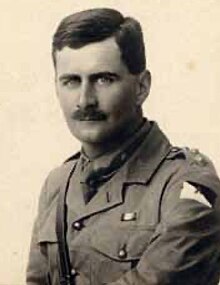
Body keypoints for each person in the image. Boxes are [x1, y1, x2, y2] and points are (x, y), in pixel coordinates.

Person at [26, 8, 220, 285]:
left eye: (103, 79)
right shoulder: (57, 185)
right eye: (71, 81)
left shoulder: (186, 184)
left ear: (141, 87)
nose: (84, 100)